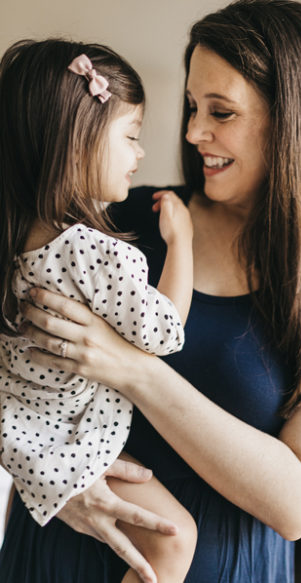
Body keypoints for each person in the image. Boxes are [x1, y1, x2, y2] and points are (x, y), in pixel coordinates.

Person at [0, 1, 301, 582]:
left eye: (220, 112)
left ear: (298, 122)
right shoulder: (124, 222)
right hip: (53, 557)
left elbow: (297, 505)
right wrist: (50, 478)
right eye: (191, 106)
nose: (192, 132)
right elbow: (14, 359)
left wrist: (134, 370)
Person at [0, 39, 197, 583]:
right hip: (69, 440)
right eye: (131, 137)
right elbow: (164, 331)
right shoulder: (95, 254)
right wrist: (182, 242)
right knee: (174, 542)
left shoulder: (15, 240)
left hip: (18, 435)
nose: (140, 154)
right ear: (74, 144)